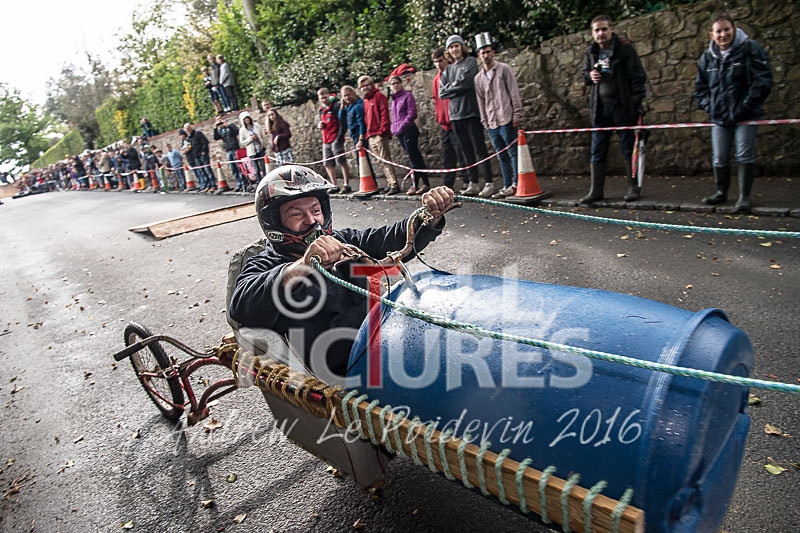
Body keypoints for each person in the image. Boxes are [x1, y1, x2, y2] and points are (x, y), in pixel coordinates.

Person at [228, 165, 455, 379]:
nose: (311, 221)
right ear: (274, 222)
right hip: (343, 373)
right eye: (296, 214)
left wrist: (429, 215)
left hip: (388, 340)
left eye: (316, 210)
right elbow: (242, 305)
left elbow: (387, 239)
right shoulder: (263, 263)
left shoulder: (342, 241)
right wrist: (304, 266)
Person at [694, 14, 772, 212]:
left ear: (734, 30)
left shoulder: (749, 48)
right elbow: (700, 89)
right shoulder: (707, 57)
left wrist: (745, 107)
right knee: (719, 156)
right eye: (718, 31)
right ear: (712, 35)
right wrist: (710, 107)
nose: (723, 34)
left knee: (743, 154)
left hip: (745, 114)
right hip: (719, 116)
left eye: (726, 29)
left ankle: (744, 197)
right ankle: (721, 192)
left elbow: (763, 81)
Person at [580, 15, 647, 204]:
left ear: (611, 29)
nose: (600, 33)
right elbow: (585, 75)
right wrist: (590, 75)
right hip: (600, 108)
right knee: (597, 149)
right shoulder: (591, 52)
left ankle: (633, 188)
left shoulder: (625, 49)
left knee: (628, 148)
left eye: (604, 29)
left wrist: (634, 104)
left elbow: (638, 78)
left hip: (622, 106)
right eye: (597, 30)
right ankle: (596, 191)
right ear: (592, 33)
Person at [439, 34, 495, 197]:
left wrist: (451, 88)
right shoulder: (448, 70)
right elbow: (442, 93)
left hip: (471, 112)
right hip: (455, 116)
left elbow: (468, 82)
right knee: (466, 151)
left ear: (462, 47)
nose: (454, 49)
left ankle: (489, 182)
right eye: (451, 47)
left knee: (480, 148)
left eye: (456, 46)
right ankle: (473, 183)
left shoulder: (470, 62)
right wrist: (457, 87)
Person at [473, 32, 523, 199]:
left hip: (506, 117)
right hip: (492, 122)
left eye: (488, 51)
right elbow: (481, 101)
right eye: (483, 52)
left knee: (513, 152)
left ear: (493, 52)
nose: (486, 55)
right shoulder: (478, 78)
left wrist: (517, 114)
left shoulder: (504, 69)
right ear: (479, 56)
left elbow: (514, 92)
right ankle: (507, 184)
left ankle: (516, 183)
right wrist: (484, 121)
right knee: (501, 155)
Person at [357, 75, 399, 195]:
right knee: (380, 161)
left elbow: (384, 114)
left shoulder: (379, 96)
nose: (365, 88)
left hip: (379, 134)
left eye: (366, 85)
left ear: (371, 85)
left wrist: (382, 131)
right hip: (370, 134)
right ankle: (389, 183)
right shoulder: (366, 100)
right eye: (362, 86)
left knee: (386, 160)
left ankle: (394, 184)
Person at [432, 47, 466, 190]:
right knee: (447, 155)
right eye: (435, 62)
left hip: (456, 120)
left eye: (440, 61)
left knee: (462, 152)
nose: (438, 64)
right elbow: (436, 100)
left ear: (446, 59)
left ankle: (467, 181)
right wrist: (438, 116)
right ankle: (448, 184)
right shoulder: (436, 79)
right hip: (444, 123)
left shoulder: (453, 73)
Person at [389, 75, 430, 194]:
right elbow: (394, 117)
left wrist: (402, 126)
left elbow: (412, 114)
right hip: (400, 133)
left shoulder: (407, 95)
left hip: (409, 130)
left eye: (397, 83)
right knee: (414, 157)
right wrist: (394, 129)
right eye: (392, 84)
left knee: (414, 158)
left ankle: (417, 185)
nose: (395, 85)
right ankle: (423, 184)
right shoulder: (394, 99)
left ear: (401, 83)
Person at [317, 87, 352, 194]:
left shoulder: (336, 106)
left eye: (325, 97)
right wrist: (321, 125)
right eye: (321, 98)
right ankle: (334, 185)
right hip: (326, 139)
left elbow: (342, 122)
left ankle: (346, 184)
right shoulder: (321, 109)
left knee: (341, 161)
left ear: (329, 96)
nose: (324, 100)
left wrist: (339, 137)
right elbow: (323, 120)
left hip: (336, 137)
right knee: (328, 163)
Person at [214, 115, 246, 191]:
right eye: (218, 120)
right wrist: (215, 128)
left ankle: (243, 183)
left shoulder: (230, 126)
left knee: (239, 167)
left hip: (235, 148)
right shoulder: (219, 130)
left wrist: (227, 126)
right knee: (233, 168)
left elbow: (236, 132)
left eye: (220, 119)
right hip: (228, 150)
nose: (220, 121)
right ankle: (239, 183)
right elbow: (216, 138)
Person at [183, 123, 216, 193]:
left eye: (189, 128)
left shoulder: (198, 133)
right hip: (196, 157)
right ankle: (208, 186)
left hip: (202, 155)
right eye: (186, 128)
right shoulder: (189, 138)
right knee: (202, 172)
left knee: (207, 170)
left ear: (191, 127)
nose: (188, 129)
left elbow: (205, 142)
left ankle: (213, 185)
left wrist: (204, 151)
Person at [238, 111, 268, 180]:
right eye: (245, 119)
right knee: (256, 169)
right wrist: (250, 139)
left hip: (260, 149)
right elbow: (242, 143)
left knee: (264, 167)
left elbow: (262, 135)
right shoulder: (242, 130)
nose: (247, 120)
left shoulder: (256, 125)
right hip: (251, 152)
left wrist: (263, 142)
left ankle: (265, 181)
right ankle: (259, 181)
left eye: (247, 118)